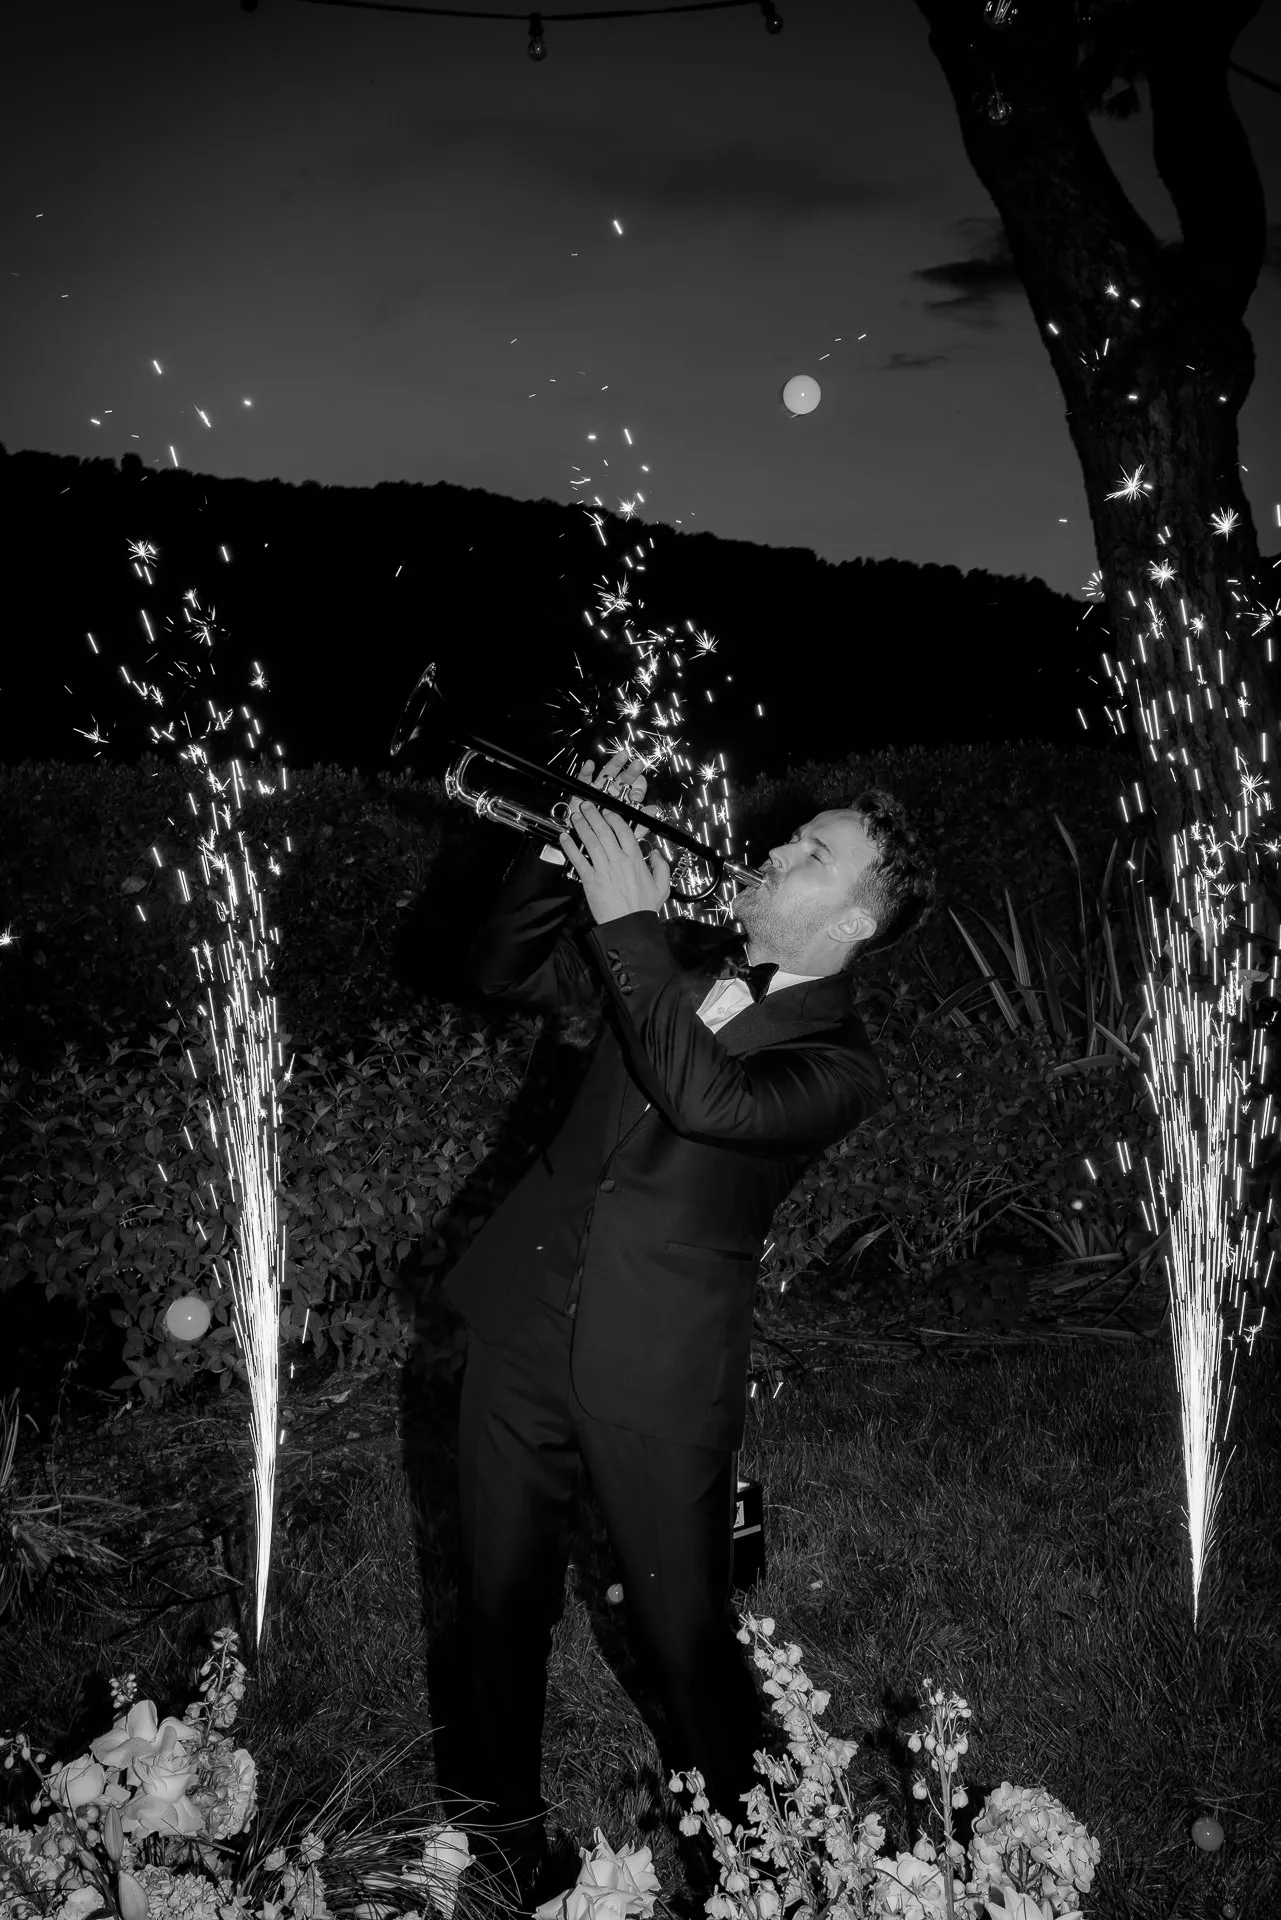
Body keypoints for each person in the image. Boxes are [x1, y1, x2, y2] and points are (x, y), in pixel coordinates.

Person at [440, 750, 935, 1905]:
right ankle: (502, 1849)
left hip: (659, 1368)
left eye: (811, 853)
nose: (773, 850)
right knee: (497, 1606)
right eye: (791, 835)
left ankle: (757, 1878)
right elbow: (496, 968)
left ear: (854, 921)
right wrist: (564, 848)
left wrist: (630, 924)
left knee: (686, 1640)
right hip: (523, 1324)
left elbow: (708, 1098)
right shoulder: (671, 958)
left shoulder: (842, 1064)